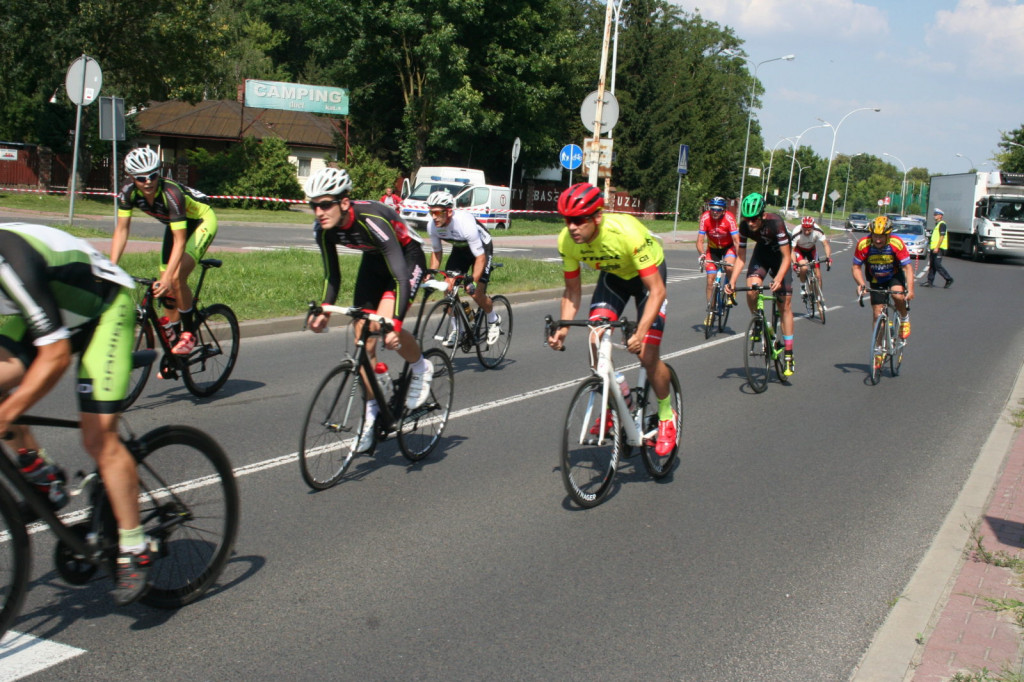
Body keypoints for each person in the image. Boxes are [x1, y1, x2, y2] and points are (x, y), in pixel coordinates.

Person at [0, 222, 153, 605]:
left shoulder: (9, 260)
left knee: (98, 439)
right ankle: (42, 473)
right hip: (56, 308)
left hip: (104, 309)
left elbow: (55, 357)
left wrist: (6, 415)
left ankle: (135, 546)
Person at [304, 167, 433, 453]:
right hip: (373, 263)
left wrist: (395, 324)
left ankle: (421, 366)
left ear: (344, 203)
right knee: (361, 334)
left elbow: (400, 275)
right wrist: (324, 308)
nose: (319, 212)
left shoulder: (372, 219)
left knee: (383, 326)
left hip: (407, 259)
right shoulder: (323, 230)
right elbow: (332, 276)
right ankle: (372, 413)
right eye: (314, 205)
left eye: (325, 204)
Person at [545, 182, 677, 456]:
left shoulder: (625, 232)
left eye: (579, 220)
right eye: (568, 220)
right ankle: (617, 401)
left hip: (647, 280)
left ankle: (666, 416)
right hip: (614, 278)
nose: (572, 227)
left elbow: (657, 291)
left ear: (596, 217)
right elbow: (572, 291)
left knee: (647, 356)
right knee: (595, 336)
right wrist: (564, 328)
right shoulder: (567, 241)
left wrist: (640, 332)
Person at [111, 147, 218, 358]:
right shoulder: (127, 192)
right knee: (164, 285)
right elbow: (122, 229)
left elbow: (180, 242)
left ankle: (188, 334)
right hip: (175, 224)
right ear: (131, 178)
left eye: (153, 175)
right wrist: (111, 266)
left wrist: (169, 277)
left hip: (201, 221)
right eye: (141, 178)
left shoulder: (171, 193)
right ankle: (175, 334)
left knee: (175, 277)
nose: (148, 181)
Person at [726, 193, 797, 377]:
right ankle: (759, 321)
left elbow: (787, 256)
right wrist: (732, 281)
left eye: (754, 219)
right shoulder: (744, 226)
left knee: (785, 305)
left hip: (781, 258)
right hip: (762, 255)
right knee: (752, 289)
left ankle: (788, 353)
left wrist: (779, 278)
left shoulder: (776, 223)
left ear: (762, 215)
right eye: (747, 219)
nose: (750, 223)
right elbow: (740, 258)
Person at [424, 190, 501, 347]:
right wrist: (431, 273)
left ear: (449, 211)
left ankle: (493, 319)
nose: (433, 216)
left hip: (482, 249)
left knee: (474, 292)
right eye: (431, 212)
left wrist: (472, 280)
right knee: (448, 289)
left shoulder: (464, 223)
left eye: (437, 212)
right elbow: (437, 252)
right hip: (460, 250)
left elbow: (480, 257)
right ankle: (458, 330)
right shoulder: (432, 226)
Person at [851, 216, 915, 352]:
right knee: (877, 313)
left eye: (881, 236)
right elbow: (856, 267)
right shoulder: (864, 244)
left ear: (888, 235)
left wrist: (910, 289)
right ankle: (878, 348)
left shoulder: (896, 243)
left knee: (898, 296)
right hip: (875, 278)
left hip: (893, 275)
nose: (878, 240)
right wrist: (861, 284)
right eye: (875, 236)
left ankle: (904, 317)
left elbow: (908, 267)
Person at [695, 196, 740, 323]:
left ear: (724, 210)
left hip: (728, 248)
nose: (715, 212)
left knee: (729, 266)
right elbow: (699, 240)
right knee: (710, 280)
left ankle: (731, 287)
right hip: (713, 249)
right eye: (712, 209)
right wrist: (702, 254)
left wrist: (740, 256)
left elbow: (736, 241)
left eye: (718, 210)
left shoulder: (729, 218)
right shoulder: (705, 217)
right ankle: (711, 310)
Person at [790, 215, 832, 299]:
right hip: (799, 250)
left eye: (809, 230)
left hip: (811, 250)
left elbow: (825, 244)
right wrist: (794, 263)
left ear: (813, 227)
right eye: (804, 229)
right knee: (804, 267)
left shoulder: (818, 230)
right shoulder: (796, 232)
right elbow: (792, 251)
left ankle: (819, 296)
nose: (806, 232)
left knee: (818, 275)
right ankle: (802, 287)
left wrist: (828, 258)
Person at [923, 207, 953, 288]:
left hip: (939, 248)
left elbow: (942, 236)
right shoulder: (937, 224)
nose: (934, 216)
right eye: (934, 214)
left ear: (941, 216)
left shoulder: (942, 224)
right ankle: (930, 281)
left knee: (937, 265)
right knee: (932, 265)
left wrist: (937, 247)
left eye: (936, 215)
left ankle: (948, 278)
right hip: (934, 248)